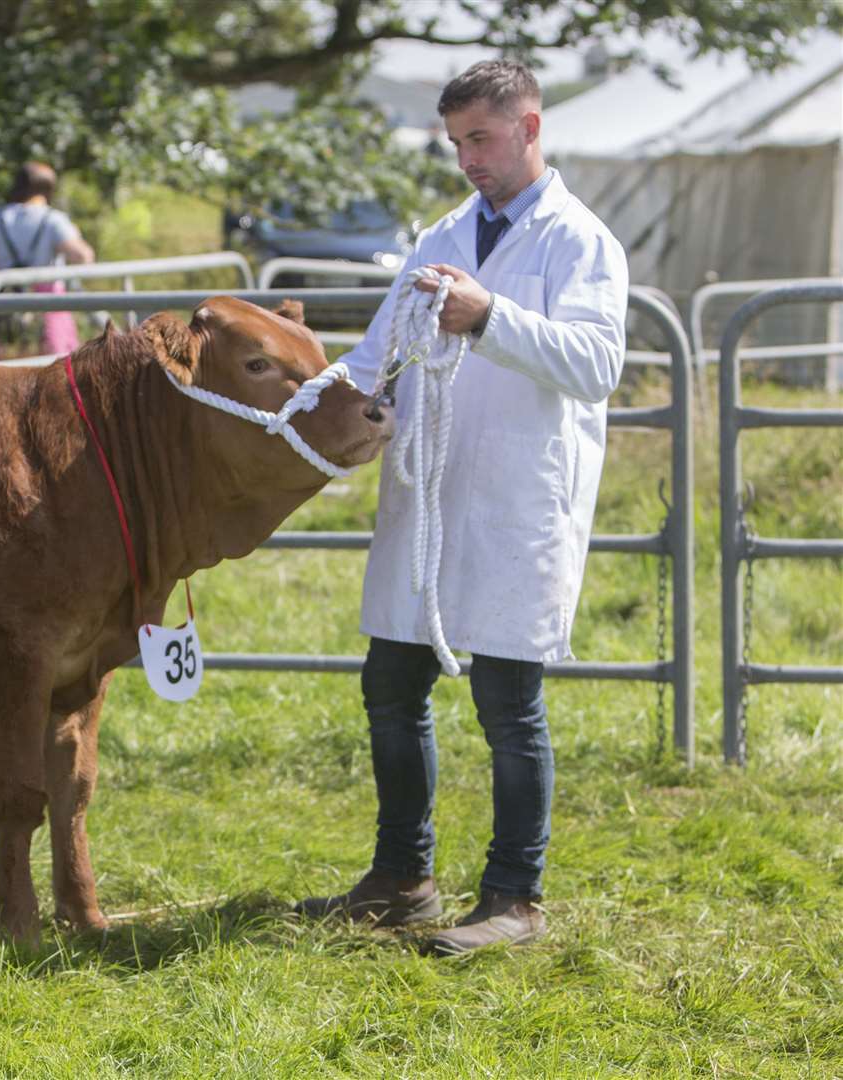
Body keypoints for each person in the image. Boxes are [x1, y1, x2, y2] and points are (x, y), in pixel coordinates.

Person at [296, 60, 629, 955]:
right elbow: (375, 355)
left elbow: (597, 366)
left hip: (518, 493)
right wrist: (296, 401)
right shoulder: (441, 233)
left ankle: (515, 899)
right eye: (455, 143)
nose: (467, 159)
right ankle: (403, 877)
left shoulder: (579, 241)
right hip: (430, 489)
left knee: (506, 703)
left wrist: (487, 317)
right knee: (391, 684)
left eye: (480, 138)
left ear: (529, 126)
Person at [0, 161, 95, 356]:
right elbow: (83, 256)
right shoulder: (53, 219)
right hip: (48, 310)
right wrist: (75, 236)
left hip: (6, 307)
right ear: (48, 190)